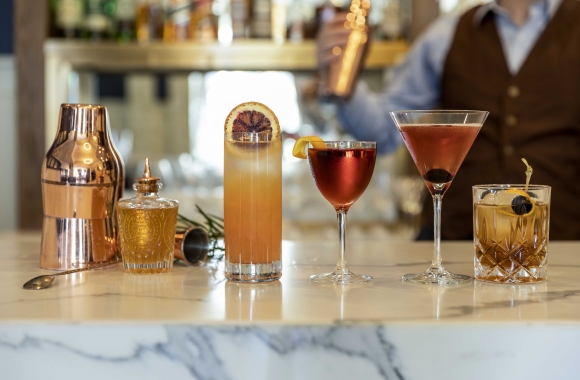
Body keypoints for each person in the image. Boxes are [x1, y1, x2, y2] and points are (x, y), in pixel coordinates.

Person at [317, 0, 580, 240]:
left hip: (565, 247)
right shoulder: (447, 34)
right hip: (455, 247)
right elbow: (383, 131)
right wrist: (342, 79)